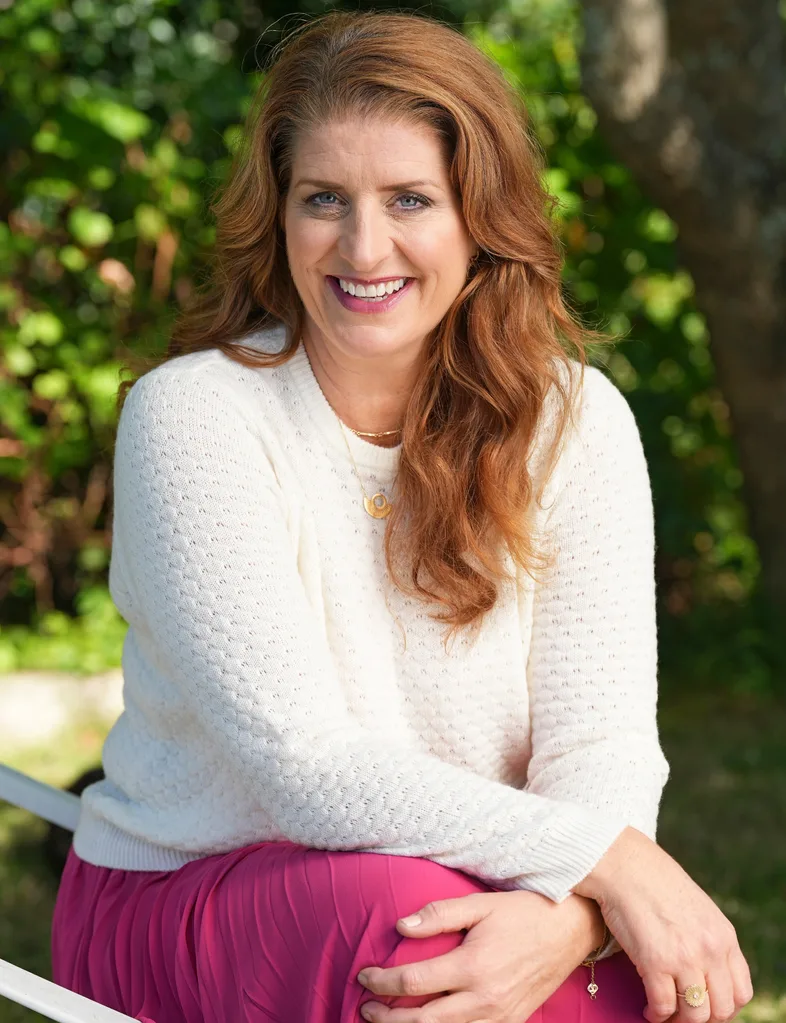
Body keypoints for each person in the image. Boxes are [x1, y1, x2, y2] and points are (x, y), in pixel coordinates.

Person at [51, 10, 753, 1023]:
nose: (363, 245)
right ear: (278, 213)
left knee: (591, 965)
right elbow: (307, 770)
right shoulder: (195, 414)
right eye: (323, 198)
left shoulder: (577, 420)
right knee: (417, 931)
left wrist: (575, 915)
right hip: (193, 895)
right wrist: (607, 869)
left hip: (484, 883)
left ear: (481, 217)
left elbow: (599, 744)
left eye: (411, 199)